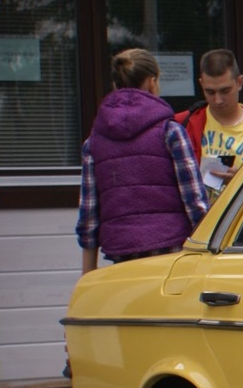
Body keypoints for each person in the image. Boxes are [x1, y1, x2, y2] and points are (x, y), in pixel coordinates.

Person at [75, 49, 210, 274]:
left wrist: (87, 275)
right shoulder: (171, 132)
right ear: (151, 81)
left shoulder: (94, 142)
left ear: (116, 83)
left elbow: (88, 215)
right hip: (171, 253)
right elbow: (195, 203)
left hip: (122, 256)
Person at [174, 49, 243, 196]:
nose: (218, 100)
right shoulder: (182, 124)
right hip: (200, 218)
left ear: (239, 82)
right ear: (201, 85)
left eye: (225, 91)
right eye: (210, 92)